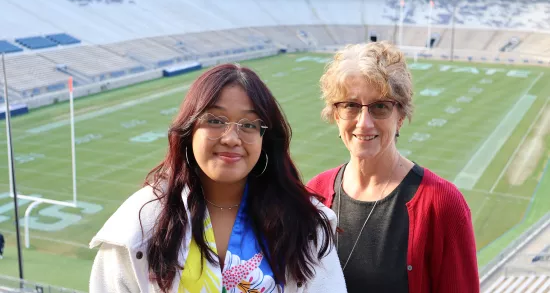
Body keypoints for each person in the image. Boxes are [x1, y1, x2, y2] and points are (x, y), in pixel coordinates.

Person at [89, 64, 347, 293]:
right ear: (189, 130)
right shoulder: (140, 222)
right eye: (214, 120)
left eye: (249, 124)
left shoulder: (305, 224)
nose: (231, 138)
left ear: (264, 139)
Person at [306, 42, 479, 293]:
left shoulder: (441, 204)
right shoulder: (316, 194)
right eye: (350, 105)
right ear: (335, 114)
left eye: (380, 106)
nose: (364, 123)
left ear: (400, 116)